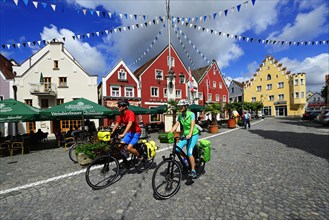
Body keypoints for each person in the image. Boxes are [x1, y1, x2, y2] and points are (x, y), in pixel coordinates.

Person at [169, 99, 199, 179]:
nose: (180, 107)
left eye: (182, 106)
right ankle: (187, 158)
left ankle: (193, 171)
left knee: (189, 152)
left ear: (186, 106)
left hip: (193, 135)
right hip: (185, 135)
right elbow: (176, 124)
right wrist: (170, 132)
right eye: (179, 106)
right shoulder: (180, 115)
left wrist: (190, 134)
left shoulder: (191, 114)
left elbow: (192, 125)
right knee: (177, 150)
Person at [111, 99, 143, 164]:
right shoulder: (121, 115)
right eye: (118, 106)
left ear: (125, 107)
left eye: (120, 106)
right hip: (129, 133)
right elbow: (117, 123)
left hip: (136, 132)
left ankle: (139, 157)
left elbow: (130, 123)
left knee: (129, 148)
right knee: (120, 146)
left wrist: (123, 134)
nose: (118, 107)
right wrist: (112, 132)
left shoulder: (130, 113)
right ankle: (125, 160)